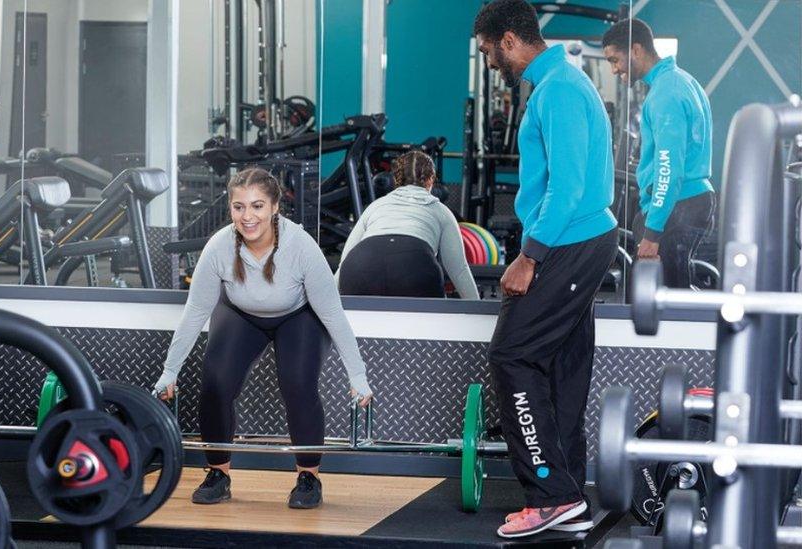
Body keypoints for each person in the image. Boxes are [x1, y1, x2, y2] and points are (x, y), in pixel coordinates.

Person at [473, 0, 618, 538]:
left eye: (490, 51)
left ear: (510, 40)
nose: (490, 62)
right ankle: (570, 492)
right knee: (561, 365)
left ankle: (551, 493)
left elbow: (568, 188)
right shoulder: (559, 83)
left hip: (568, 240)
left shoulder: (557, 89)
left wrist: (529, 256)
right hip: (580, 237)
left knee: (512, 355)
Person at [154, 167, 373, 510]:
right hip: (241, 315)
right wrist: (170, 371)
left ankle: (308, 478)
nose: (248, 216)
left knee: (298, 383)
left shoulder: (301, 246)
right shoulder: (219, 248)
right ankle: (218, 474)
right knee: (215, 383)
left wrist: (357, 376)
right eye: (239, 207)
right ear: (230, 209)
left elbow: (332, 314)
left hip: (299, 316)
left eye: (257, 206)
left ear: (274, 208)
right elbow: (195, 313)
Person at [602, 19, 715, 289]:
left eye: (615, 60)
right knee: (671, 294)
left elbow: (668, 167)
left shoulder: (666, 93)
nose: (615, 69)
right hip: (686, 202)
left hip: (678, 206)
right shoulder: (683, 81)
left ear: (636, 50)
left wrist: (652, 232)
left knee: (662, 300)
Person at [336, 150, 479, 299]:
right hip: (414, 267)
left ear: (396, 179)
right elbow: (458, 269)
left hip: (360, 265)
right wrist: (478, 311)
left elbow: (344, 261)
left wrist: (321, 308)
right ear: (430, 179)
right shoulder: (442, 211)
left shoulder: (375, 206)